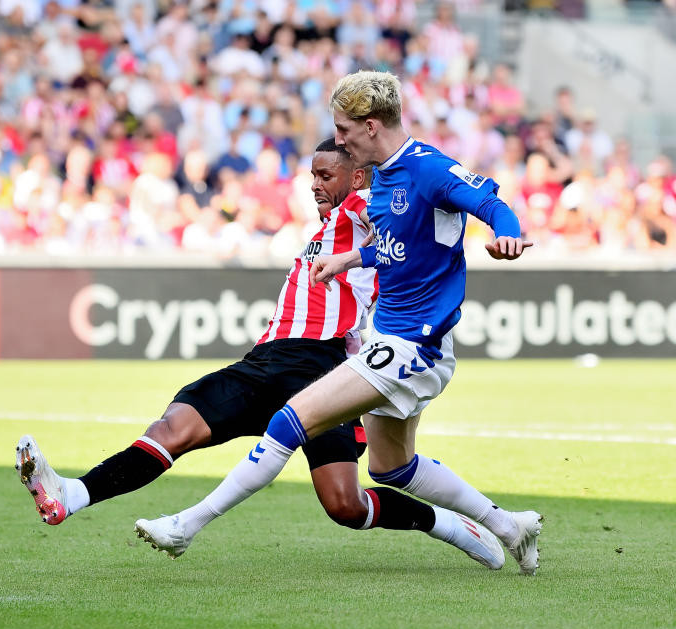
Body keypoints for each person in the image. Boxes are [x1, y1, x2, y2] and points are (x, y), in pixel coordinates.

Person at [16, 138, 507, 570]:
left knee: (345, 505)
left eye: (325, 174)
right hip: (265, 361)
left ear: (357, 174)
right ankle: (71, 495)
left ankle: (449, 525)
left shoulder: (366, 206)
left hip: (322, 367)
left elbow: (407, 226)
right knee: (172, 429)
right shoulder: (325, 230)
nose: (314, 184)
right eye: (311, 174)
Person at [134, 71, 543, 575]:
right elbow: (401, 248)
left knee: (291, 418)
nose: (340, 140)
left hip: (415, 344)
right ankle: (508, 526)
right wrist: (351, 260)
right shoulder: (385, 175)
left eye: (344, 130)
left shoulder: (428, 169)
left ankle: (185, 526)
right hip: (390, 335)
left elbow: (490, 203)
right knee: (391, 467)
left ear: (371, 126)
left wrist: (508, 236)